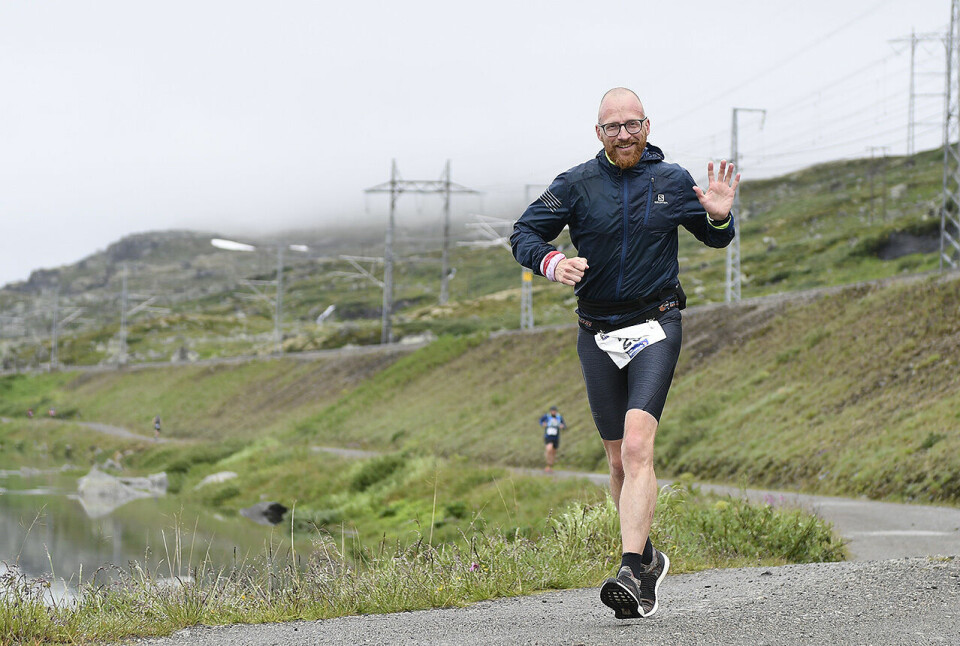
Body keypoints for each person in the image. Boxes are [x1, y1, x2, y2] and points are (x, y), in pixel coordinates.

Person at [511, 87, 739, 619]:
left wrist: (722, 217)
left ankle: (632, 569)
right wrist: (549, 261)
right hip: (596, 331)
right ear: (598, 133)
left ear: (647, 125)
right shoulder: (574, 184)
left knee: (638, 447)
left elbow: (714, 238)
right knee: (616, 460)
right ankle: (650, 557)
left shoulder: (673, 180)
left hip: (656, 324)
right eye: (612, 127)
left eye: (631, 124)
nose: (623, 134)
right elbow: (523, 233)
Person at [539, 406, 566, 472]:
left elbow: (564, 425)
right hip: (548, 436)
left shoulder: (559, 417)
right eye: (552, 411)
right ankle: (548, 465)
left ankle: (550, 466)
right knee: (549, 449)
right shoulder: (547, 416)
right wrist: (543, 424)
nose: (553, 412)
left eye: (555, 411)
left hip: (556, 437)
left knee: (553, 452)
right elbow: (540, 420)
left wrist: (562, 426)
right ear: (550, 411)